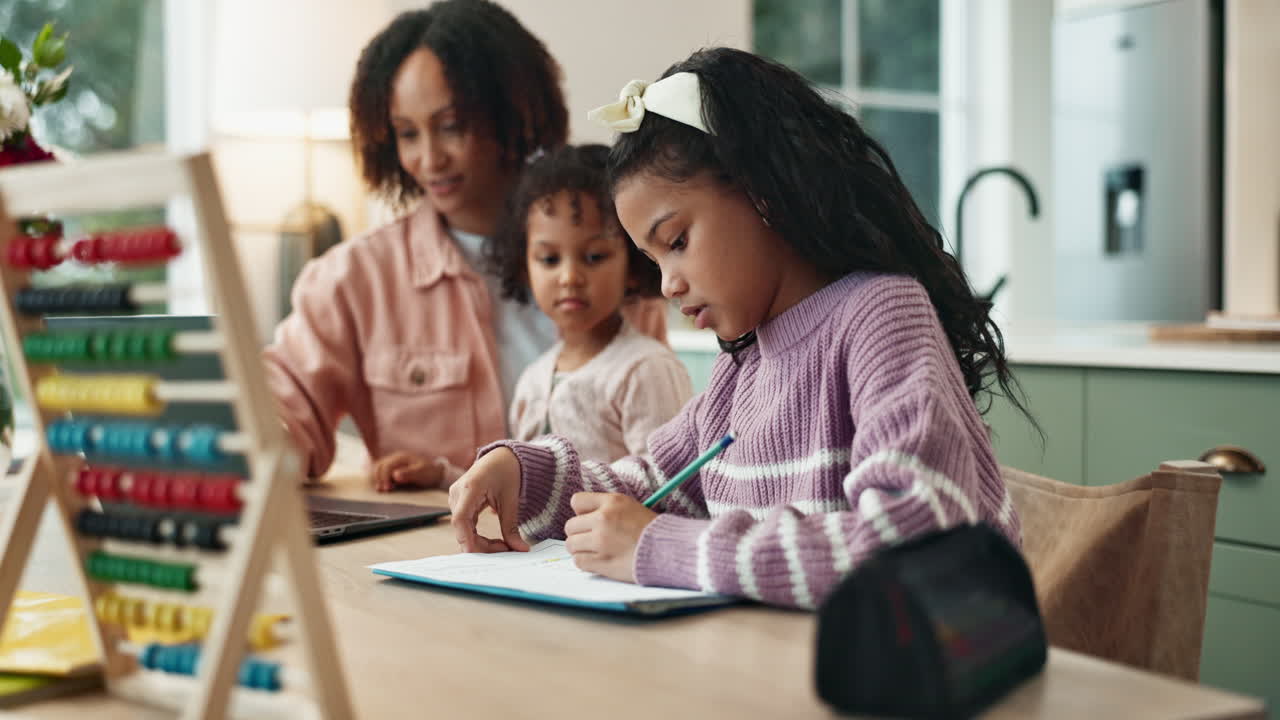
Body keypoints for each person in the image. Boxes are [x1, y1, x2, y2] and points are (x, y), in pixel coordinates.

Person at [447, 47, 1032, 610]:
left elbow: (915, 544)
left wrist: (662, 546)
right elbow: (653, 481)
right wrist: (527, 473)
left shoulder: (881, 315)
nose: (669, 283)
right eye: (654, 262)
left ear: (764, 195)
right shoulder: (742, 367)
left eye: (676, 242)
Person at [263, 0, 666, 490]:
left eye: (451, 126)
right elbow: (282, 407)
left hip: (589, 550)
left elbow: (656, 455)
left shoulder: (615, 253)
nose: (429, 158)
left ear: (512, 113)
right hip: (420, 555)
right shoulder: (352, 279)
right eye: (407, 133)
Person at [491, 144, 692, 463]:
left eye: (594, 256)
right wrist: (446, 477)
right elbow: (518, 486)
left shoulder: (647, 370)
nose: (569, 277)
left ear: (635, 263)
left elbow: (672, 486)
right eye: (549, 259)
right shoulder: (532, 379)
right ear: (524, 267)